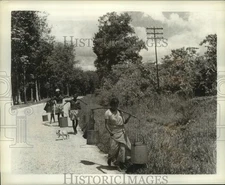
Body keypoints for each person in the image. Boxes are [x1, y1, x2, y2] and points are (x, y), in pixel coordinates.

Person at [105, 97, 132, 171]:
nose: (116, 107)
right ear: (111, 105)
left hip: (122, 132)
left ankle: (118, 164)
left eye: (117, 105)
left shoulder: (120, 112)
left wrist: (129, 117)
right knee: (114, 149)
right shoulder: (108, 113)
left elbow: (124, 122)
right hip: (114, 132)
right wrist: (110, 132)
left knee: (122, 149)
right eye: (114, 105)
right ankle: (110, 158)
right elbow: (106, 125)